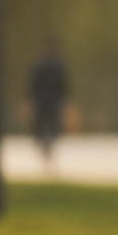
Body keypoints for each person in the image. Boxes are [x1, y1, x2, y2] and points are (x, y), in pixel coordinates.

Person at [27, 38, 70, 171]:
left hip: (41, 101)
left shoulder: (39, 64)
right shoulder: (58, 65)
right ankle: (48, 148)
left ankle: (45, 148)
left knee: (41, 126)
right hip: (53, 101)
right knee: (52, 126)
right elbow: (64, 86)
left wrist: (29, 100)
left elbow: (32, 85)